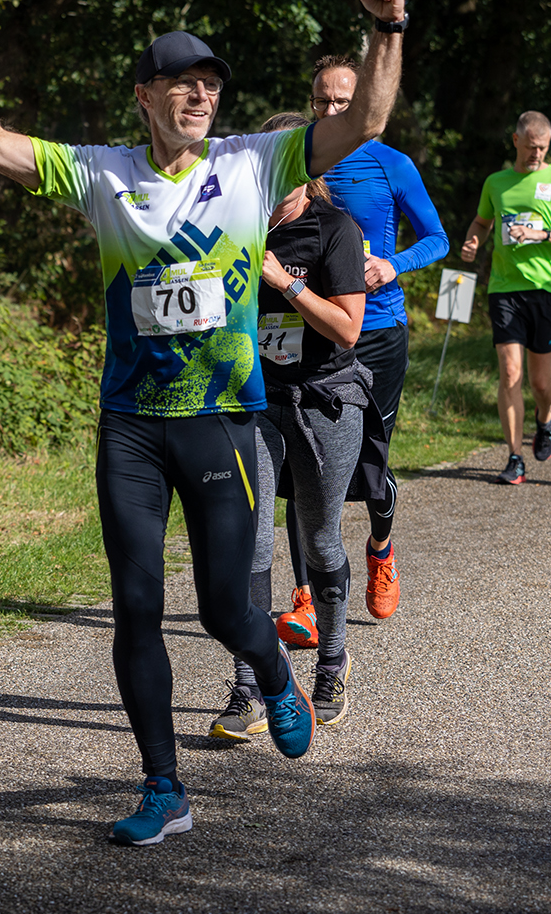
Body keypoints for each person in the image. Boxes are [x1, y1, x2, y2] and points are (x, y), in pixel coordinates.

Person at [0, 0, 407, 845]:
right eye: (182, 81)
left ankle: (268, 668)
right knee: (135, 605)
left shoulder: (255, 162)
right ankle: (162, 786)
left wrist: (388, 26)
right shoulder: (104, 174)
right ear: (145, 96)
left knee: (228, 609)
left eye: (212, 83)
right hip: (134, 429)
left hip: (222, 421)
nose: (200, 93)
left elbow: (364, 121)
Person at [268, 55, 450, 642]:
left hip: (375, 332)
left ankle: (379, 546)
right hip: (305, 328)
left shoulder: (390, 164)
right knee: (297, 463)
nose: (331, 112)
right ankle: (303, 598)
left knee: (371, 461)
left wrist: (391, 266)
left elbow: (438, 239)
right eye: (322, 101)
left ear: (369, 105)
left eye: (344, 102)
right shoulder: (293, 162)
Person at [210, 113, 368, 741]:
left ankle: (331, 662)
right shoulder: (236, 228)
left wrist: (282, 284)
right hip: (256, 399)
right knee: (250, 542)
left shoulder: (336, 230)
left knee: (321, 538)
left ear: (307, 173)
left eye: (285, 173)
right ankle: (252, 683)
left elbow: (348, 329)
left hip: (326, 398)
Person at [459, 112, 551, 484]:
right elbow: (483, 222)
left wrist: (542, 235)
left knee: (540, 382)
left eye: (543, 148)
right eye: (531, 147)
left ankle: (545, 417)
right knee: (510, 373)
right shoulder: (496, 182)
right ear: (516, 141)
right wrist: (473, 240)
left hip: (548, 290)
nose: (537, 154)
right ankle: (515, 456)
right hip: (504, 289)